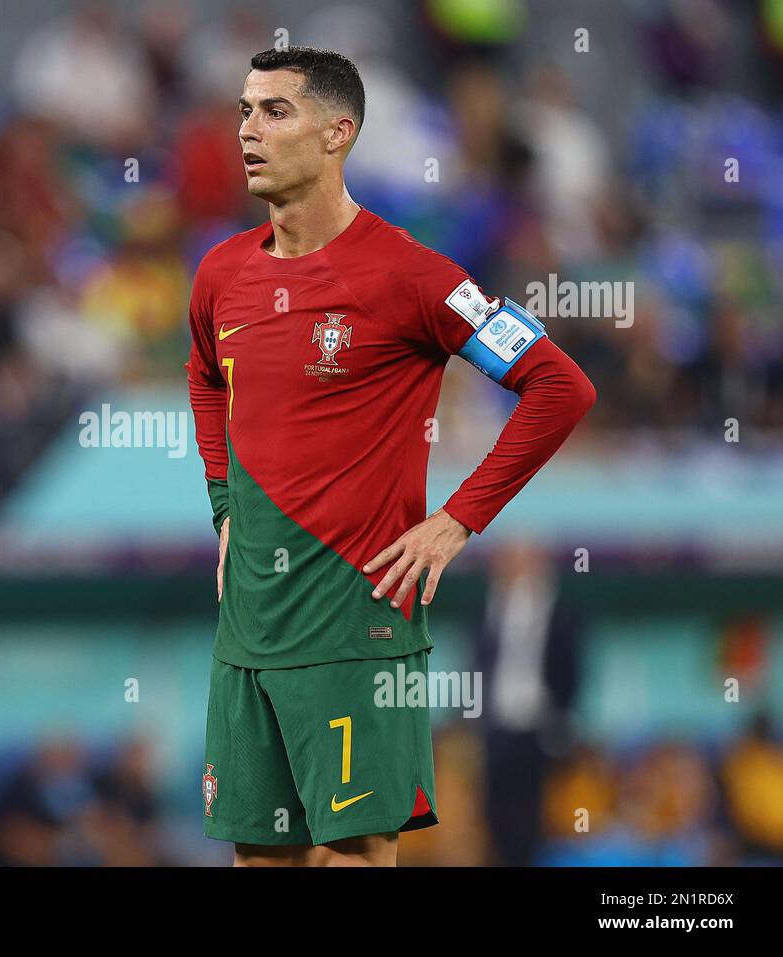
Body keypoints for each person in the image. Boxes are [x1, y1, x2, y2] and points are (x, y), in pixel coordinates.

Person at [185, 47, 596, 866]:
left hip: (355, 624)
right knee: (259, 859)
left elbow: (560, 387)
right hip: (247, 631)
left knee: (352, 853)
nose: (247, 132)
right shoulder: (220, 272)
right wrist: (226, 511)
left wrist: (456, 521)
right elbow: (204, 377)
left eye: (274, 112)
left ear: (339, 133)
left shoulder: (415, 275)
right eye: (243, 111)